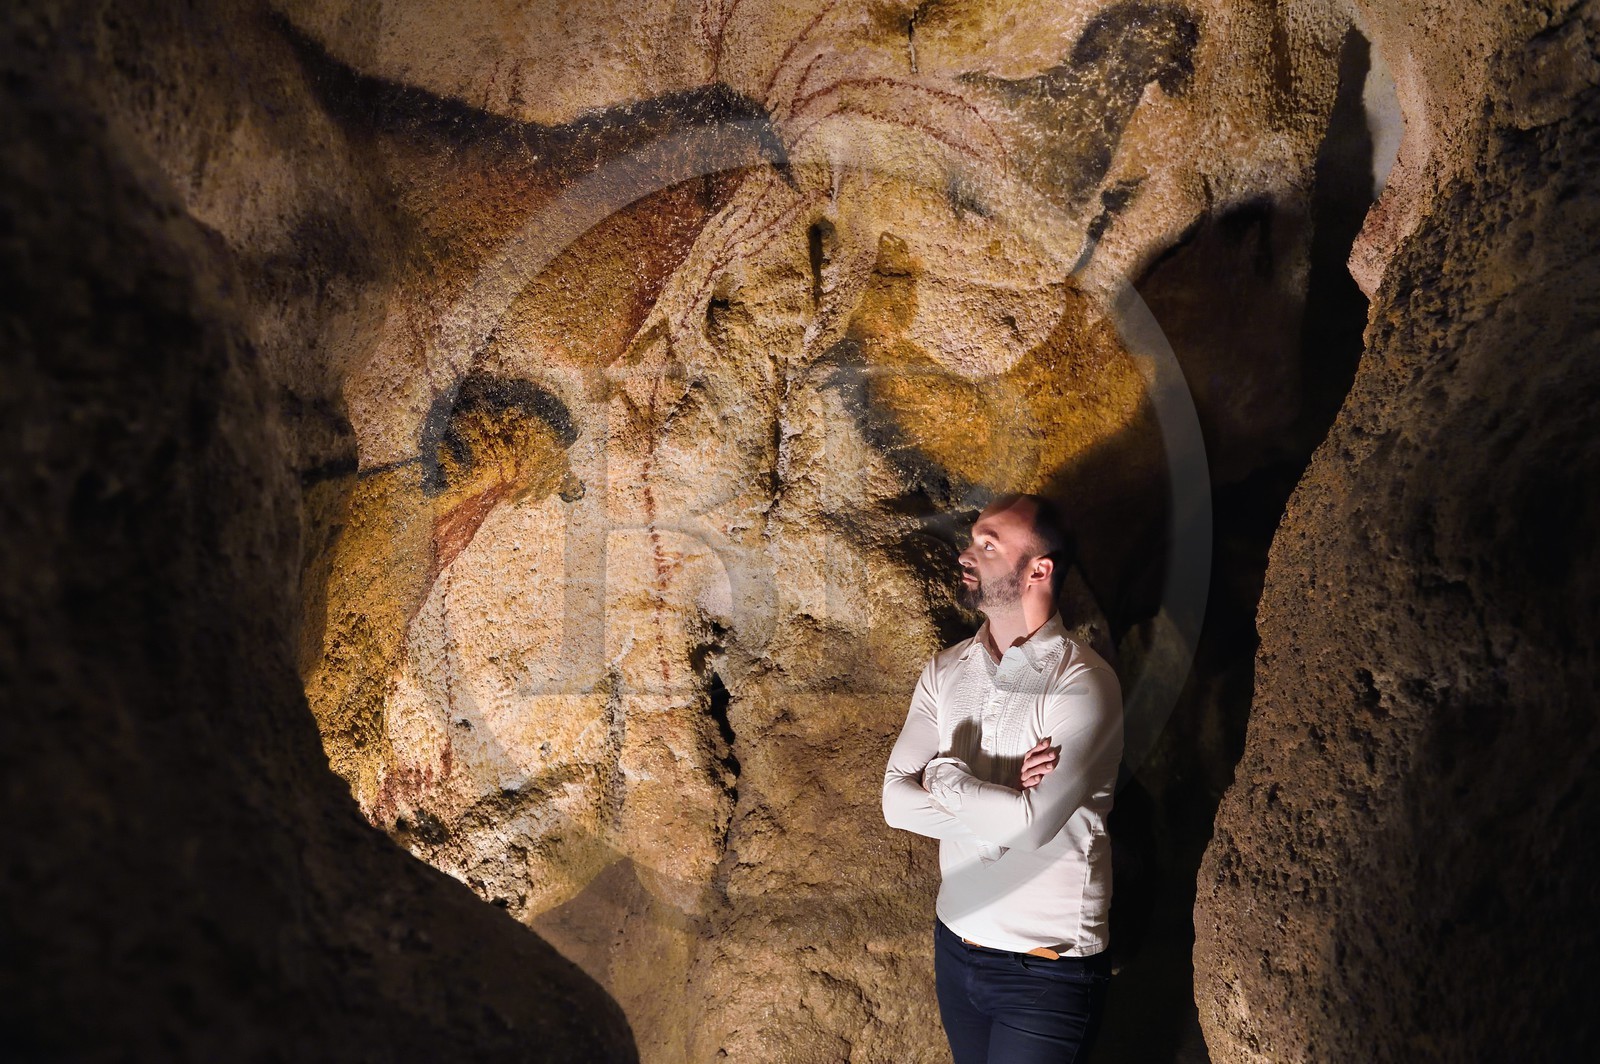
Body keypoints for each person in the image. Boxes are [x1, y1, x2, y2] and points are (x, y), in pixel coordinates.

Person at [882, 493, 1124, 1064]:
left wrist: (942, 776)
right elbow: (894, 803)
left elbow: (1031, 827)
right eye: (973, 540)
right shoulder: (944, 670)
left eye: (989, 545)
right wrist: (1005, 800)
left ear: (1039, 570)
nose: (967, 554)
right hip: (955, 944)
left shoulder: (1083, 682)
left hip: (1046, 969)